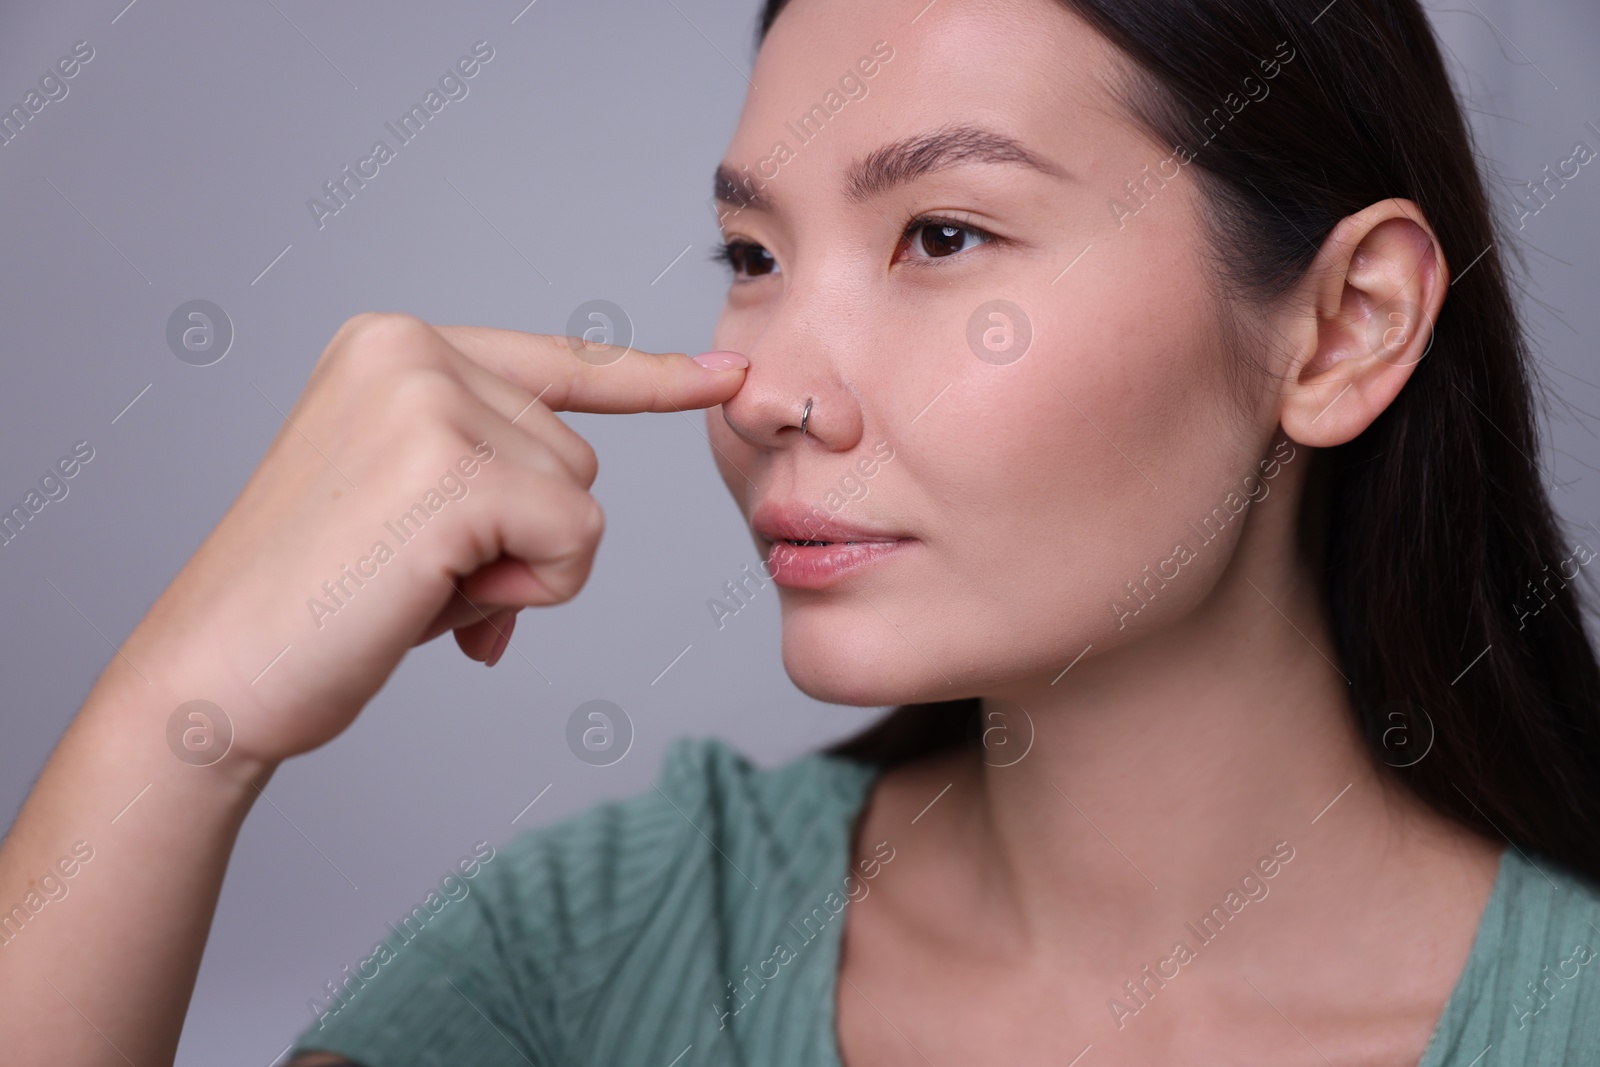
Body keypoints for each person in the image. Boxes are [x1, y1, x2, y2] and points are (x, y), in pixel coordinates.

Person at [4, 0, 1599, 1062]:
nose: (766, 389)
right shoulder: (611, 947)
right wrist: (180, 720)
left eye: (943, 234)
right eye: (750, 252)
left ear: (1341, 327)